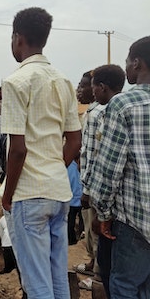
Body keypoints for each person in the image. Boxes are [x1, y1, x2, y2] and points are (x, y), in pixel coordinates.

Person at [1, 7, 81, 298]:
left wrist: (8, 195)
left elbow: (18, 149)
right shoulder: (63, 80)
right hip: (59, 192)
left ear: (18, 38)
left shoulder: (16, 82)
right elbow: (74, 141)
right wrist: (54, 168)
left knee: (36, 284)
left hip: (29, 195)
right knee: (56, 276)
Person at [89, 48, 149, 297]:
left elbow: (110, 167)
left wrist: (103, 213)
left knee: (124, 286)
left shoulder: (124, 104)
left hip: (134, 218)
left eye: (127, 62)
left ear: (136, 63)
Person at [83, 64, 125, 298]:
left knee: (102, 240)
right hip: (114, 196)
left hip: (103, 195)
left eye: (89, 86)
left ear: (101, 87)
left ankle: (100, 281)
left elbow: (101, 159)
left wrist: (89, 190)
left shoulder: (105, 112)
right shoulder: (98, 110)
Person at [74, 70, 103, 289]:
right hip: (87, 181)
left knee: (95, 227)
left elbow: (93, 154)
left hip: (92, 185)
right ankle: (93, 263)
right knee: (88, 226)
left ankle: (97, 278)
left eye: (83, 86)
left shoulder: (97, 114)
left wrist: (87, 189)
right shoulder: (89, 113)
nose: (80, 90)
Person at [67, 159, 83, 246]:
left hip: (83, 200)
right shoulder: (68, 164)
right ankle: (72, 242)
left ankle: (81, 240)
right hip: (71, 201)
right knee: (70, 224)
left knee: (83, 224)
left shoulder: (85, 162)